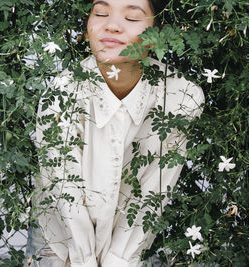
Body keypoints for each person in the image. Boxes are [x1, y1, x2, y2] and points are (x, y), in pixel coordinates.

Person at [26, 0, 205, 266]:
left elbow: (154, 189)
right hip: (61, 240)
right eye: (100, 13)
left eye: (132, 18)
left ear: (159, 31)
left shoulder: (180, 96)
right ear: (86, 27)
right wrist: (84, 260)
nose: (111, 25)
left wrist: (119, 260)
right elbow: (65, 191)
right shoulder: (62, 91)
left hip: (134, 242)